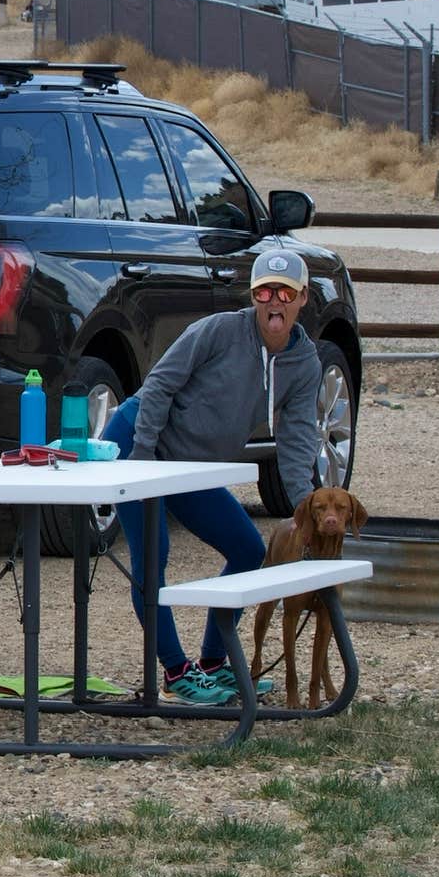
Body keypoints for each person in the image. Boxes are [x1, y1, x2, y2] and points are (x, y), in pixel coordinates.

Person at [100, 248, 321, 705]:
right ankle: (176, 672)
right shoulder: (219, 330)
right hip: (141, 441)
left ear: (303, 298)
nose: (273, 301)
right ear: (253, 295)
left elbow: (298, 439)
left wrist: (306, 509)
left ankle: (214, 663)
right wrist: (142, 461)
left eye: (285, 292)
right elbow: (159, 385)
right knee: (152, 557)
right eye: (263, 290)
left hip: (193, 466)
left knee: (247, 547)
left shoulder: (305, 363)